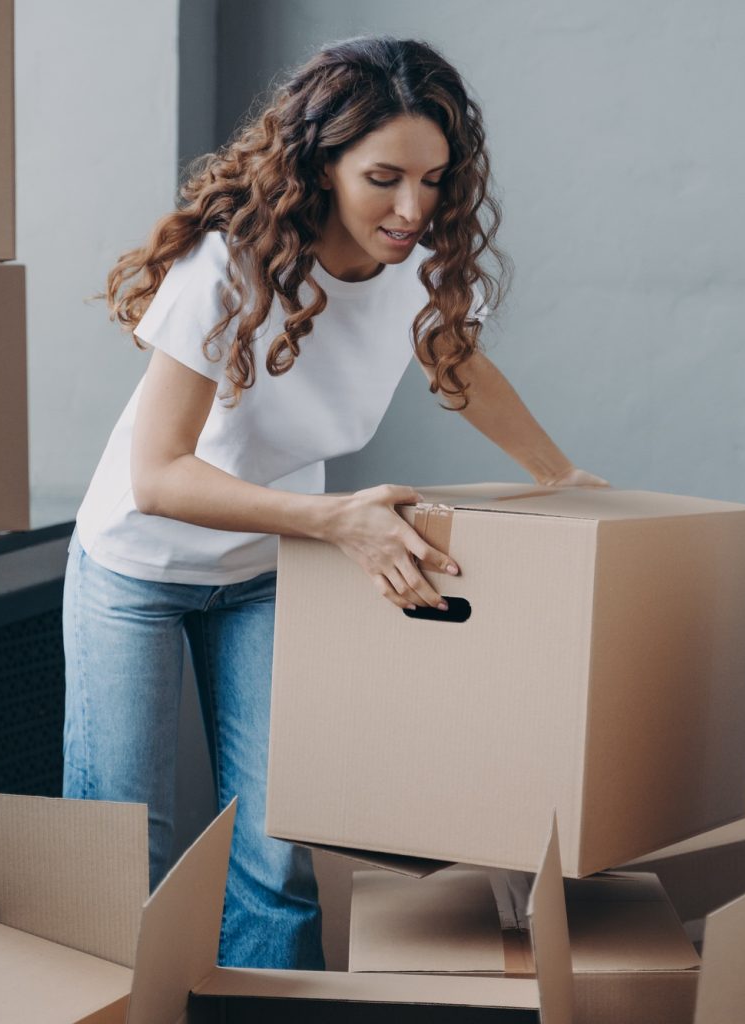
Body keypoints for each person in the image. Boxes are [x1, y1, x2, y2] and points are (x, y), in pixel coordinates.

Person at [63, 36, 603, 971]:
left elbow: (457, 362)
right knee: (122, 851)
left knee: (280, 856)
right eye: (384, 177)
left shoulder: (413, 266)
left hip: (268, 571)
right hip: (135, 568)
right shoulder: (226, 267)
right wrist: (336, 521)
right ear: (320, 166)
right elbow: (157, 477)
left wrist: (563, 477)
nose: (411, 209)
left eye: (434, 181)